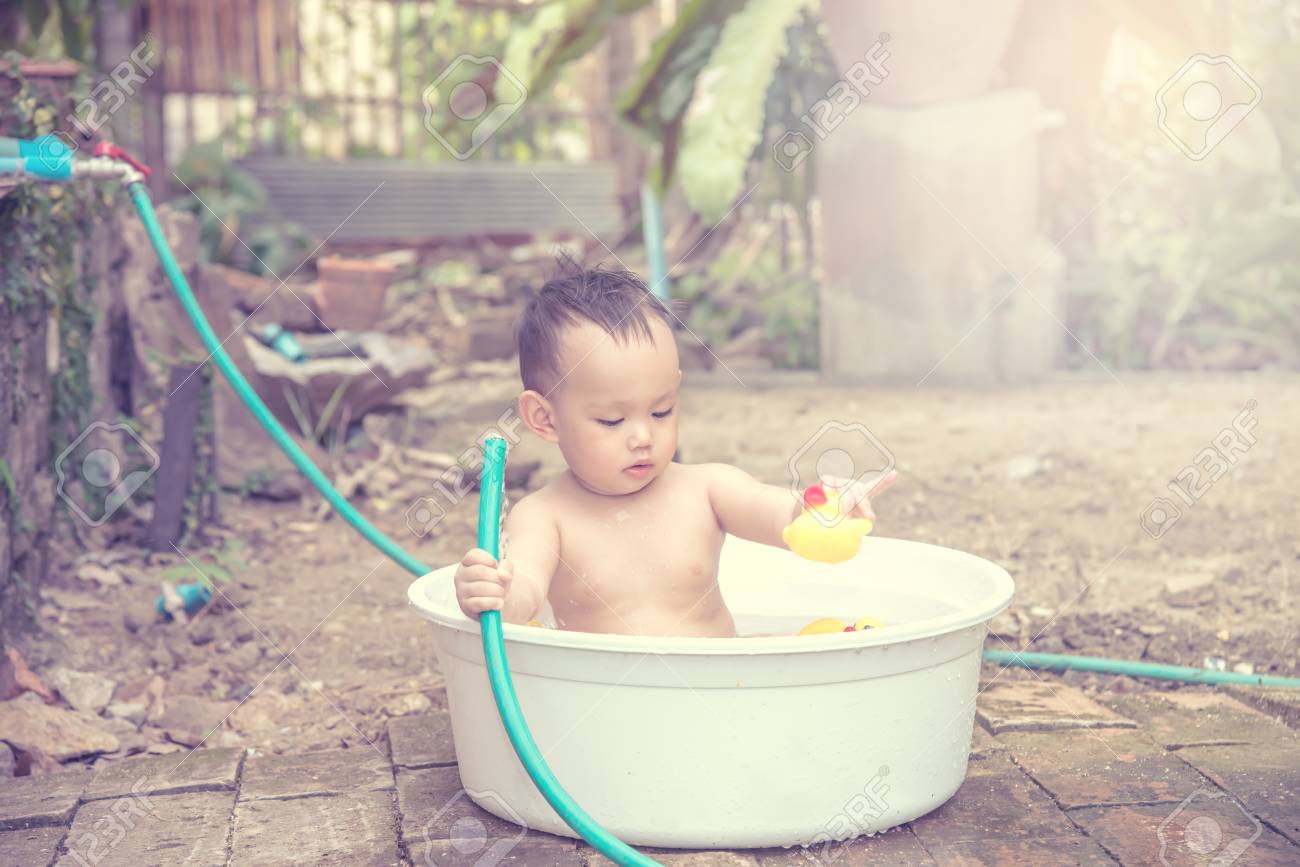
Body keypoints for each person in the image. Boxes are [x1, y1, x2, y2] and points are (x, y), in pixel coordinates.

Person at [452, 263, 893, 637]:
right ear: (545, 419)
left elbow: (781, 515)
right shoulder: (545, 517)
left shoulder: (707, 489)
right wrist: (496, 594)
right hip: (606, 705)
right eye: (612, 420)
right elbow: (525, 587)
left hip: (727, 692)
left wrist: (824, 511)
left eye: (661, 411)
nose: (643, 436)